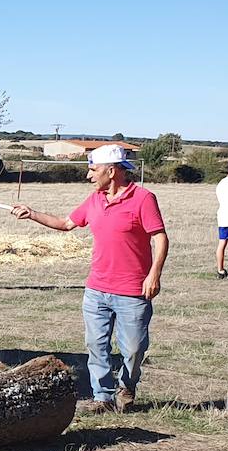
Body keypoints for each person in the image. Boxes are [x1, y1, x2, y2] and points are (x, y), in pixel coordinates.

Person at [11, 143, 168, 414]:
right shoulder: (94, 200)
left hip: (132, 291)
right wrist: (32, 214)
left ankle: (127, 386)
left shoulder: (143, 198)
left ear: (112, 170)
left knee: (133, 349)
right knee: (96, 345)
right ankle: (103, 397)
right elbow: (65, 224)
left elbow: (160, 237)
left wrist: (154, 274)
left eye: (93, 170)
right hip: (97, 289)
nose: (89, 175)